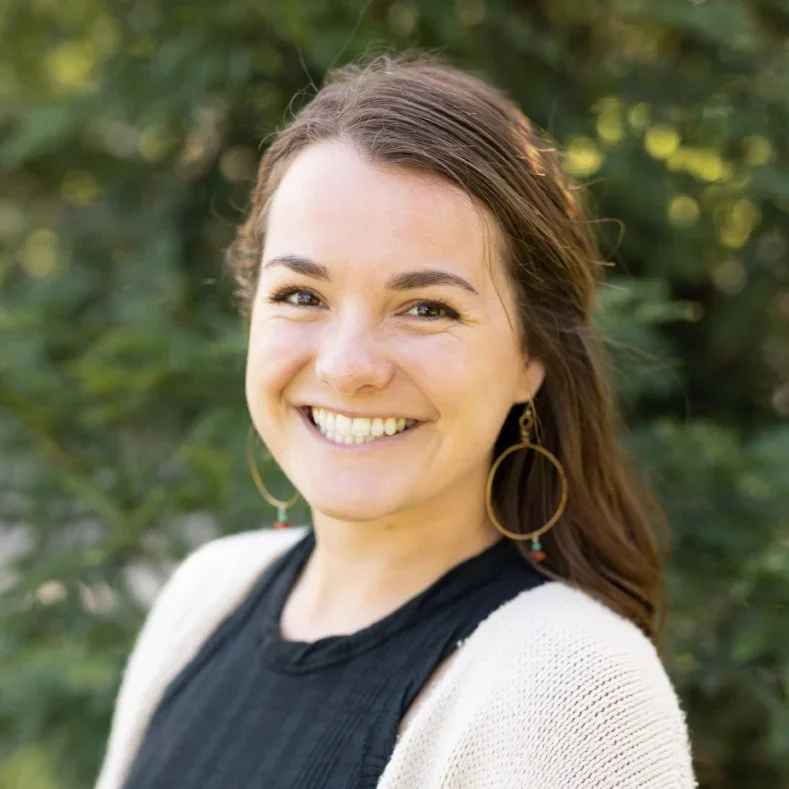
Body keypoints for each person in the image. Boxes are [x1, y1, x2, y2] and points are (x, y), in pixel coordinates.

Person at [95, 51, 697, 788]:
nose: (347, 366)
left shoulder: (570, 691)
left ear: (531, 356)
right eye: (301, 295)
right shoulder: (208, 592)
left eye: (426, 308)